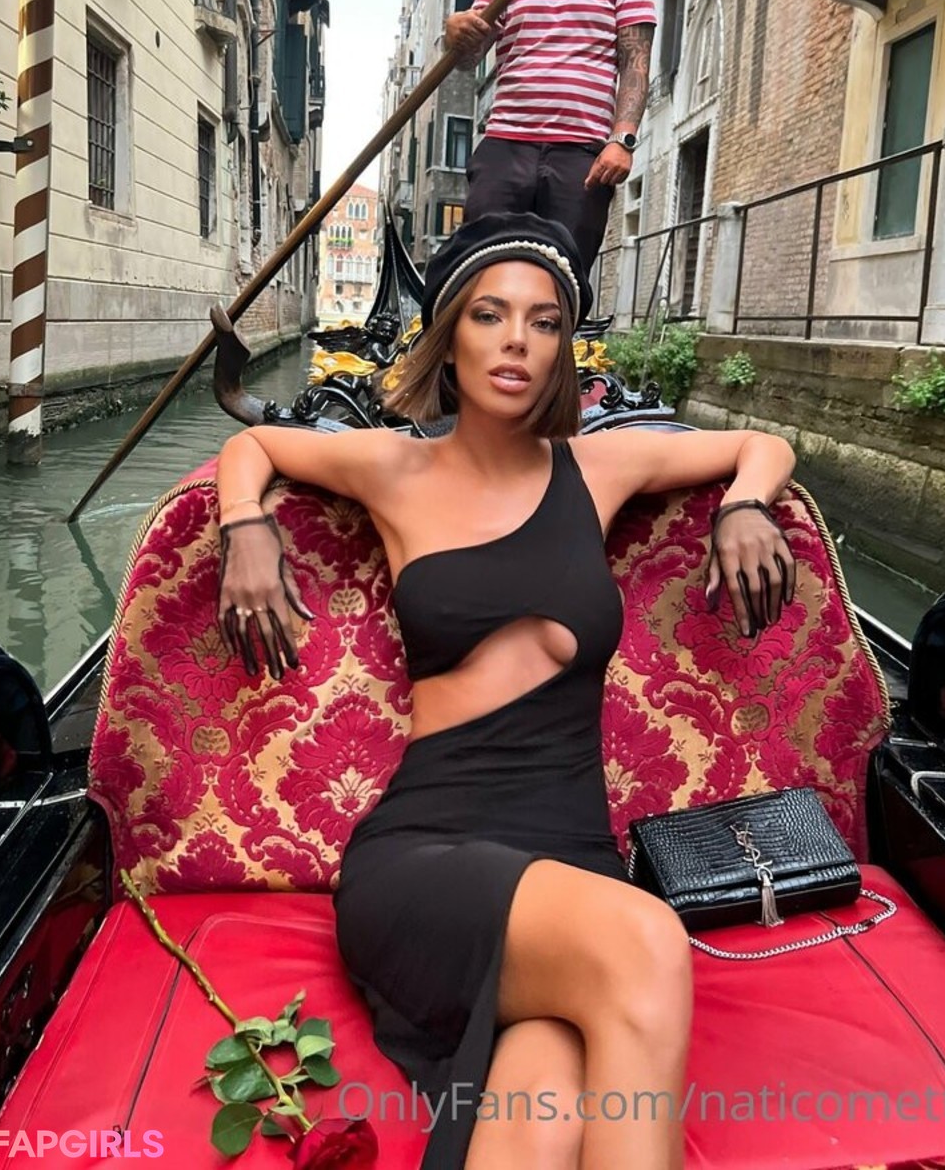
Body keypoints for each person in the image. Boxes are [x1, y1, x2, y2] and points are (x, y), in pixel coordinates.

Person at [215, 212, 797, 1170]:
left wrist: (743, 502)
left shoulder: (602, 466)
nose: (516, 340)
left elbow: (763, 444)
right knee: (648, 941)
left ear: (564, 346)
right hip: (427, 855)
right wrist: (245, 525)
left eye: (543, 321)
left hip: (571, 860)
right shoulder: (394, 466)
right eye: (489, 315)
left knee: (544, 1117)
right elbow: (256, 448)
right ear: (451, 336)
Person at [443, 0, 656, 271]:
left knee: (564, 281)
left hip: (582, 156)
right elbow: (467, 60)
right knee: (479, 272)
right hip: (507, 144)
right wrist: (455, 33)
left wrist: (622, 141)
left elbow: (635, 64)